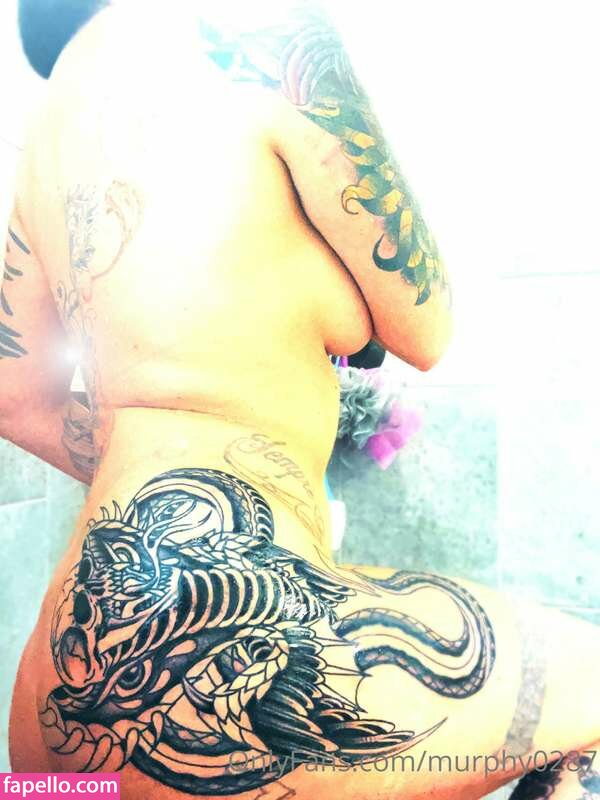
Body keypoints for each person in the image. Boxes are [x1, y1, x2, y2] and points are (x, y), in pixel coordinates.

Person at [2, 2, 598, 798]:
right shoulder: (264, 36)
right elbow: (426, 325)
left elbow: (17, 399)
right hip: (211, 661)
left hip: (44, 729)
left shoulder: (45, 133)